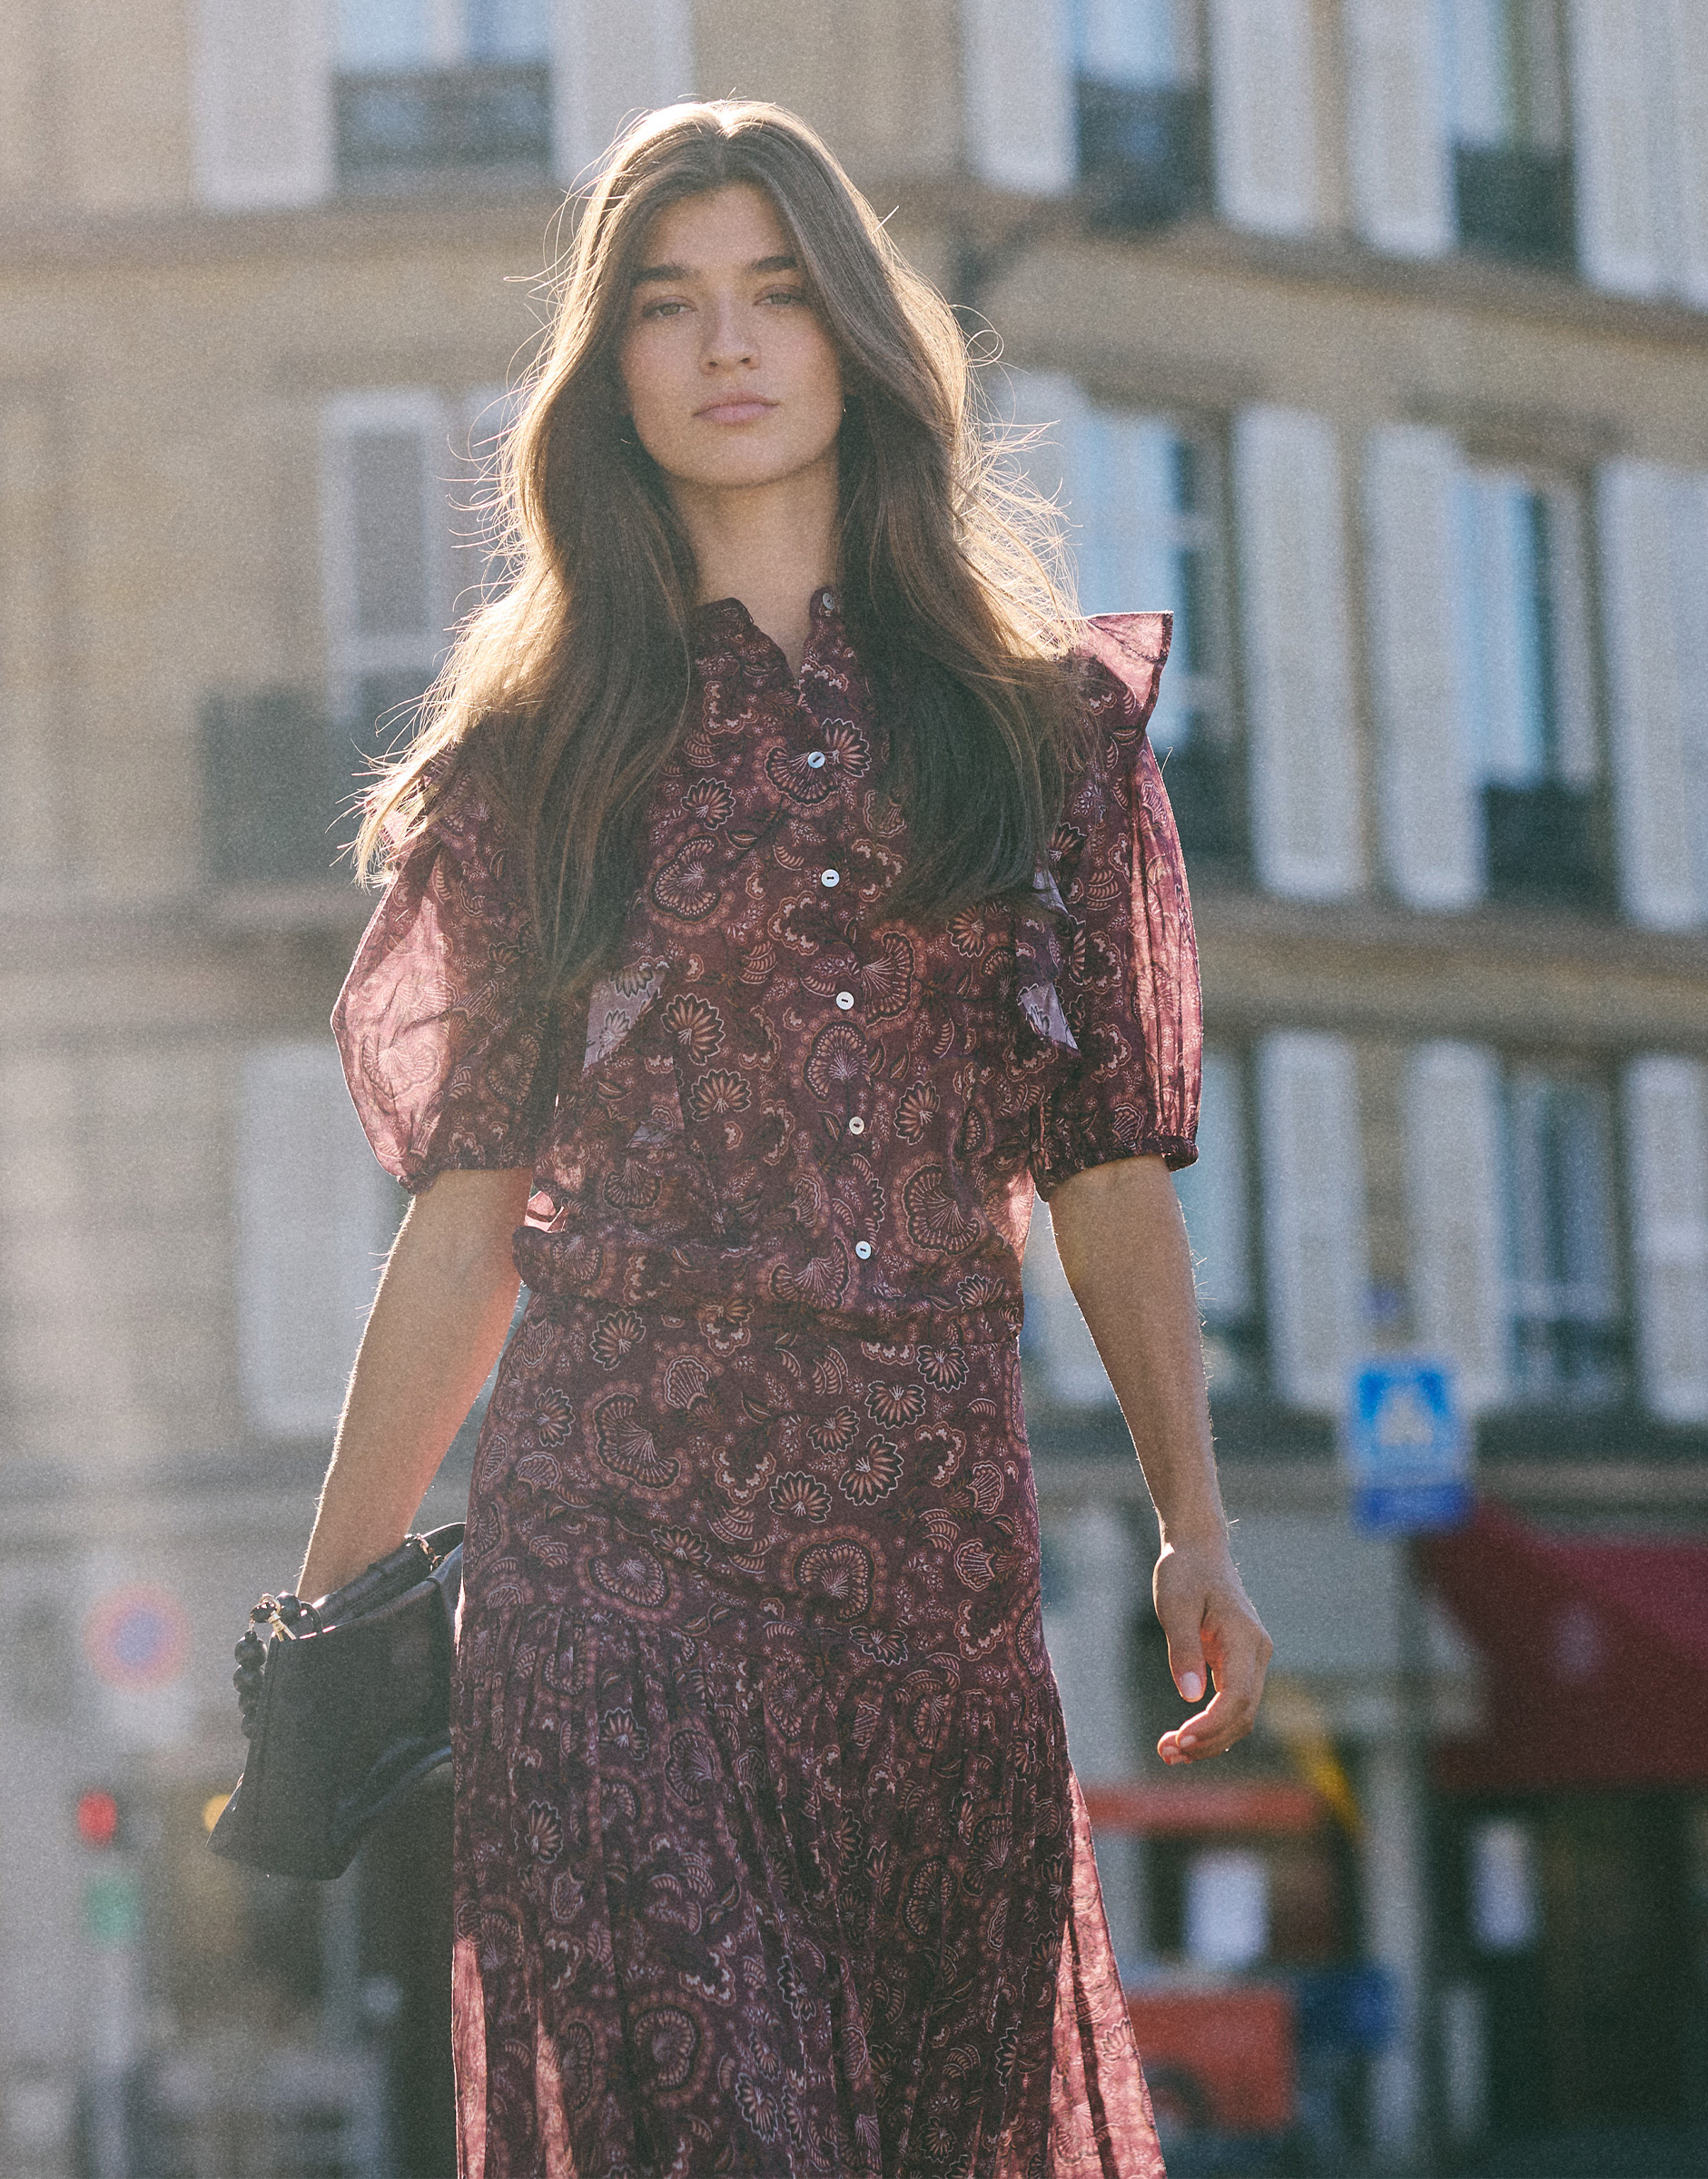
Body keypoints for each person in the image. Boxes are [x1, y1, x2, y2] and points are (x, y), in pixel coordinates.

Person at [297, 98, 1271, 2179]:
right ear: (609, 368)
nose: (726, 345)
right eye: (665, 305)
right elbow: (469, 1212)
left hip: (934, 1578)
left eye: (773, 296)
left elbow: (1105, 1164)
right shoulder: (538, 754)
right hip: (610, 1560)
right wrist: (326, 1609)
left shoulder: (1042, 732)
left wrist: (1195, 1522)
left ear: (852, 342)